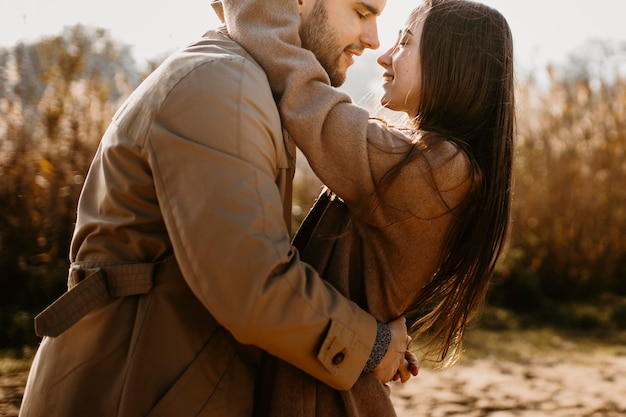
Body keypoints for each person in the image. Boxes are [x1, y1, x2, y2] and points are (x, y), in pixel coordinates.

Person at [17, 1, 415, 416]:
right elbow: (251, 280)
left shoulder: (246, 83)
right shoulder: (222, 84)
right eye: (362, 11)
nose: (374, 40)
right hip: (128, 391)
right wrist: (371, 347)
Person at [221, 0, 515, 415]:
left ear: (453, 64)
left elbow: (308, 101)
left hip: (329, 400)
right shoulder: (436, 164)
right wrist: (378, 336)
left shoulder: (440, 170)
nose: (384, 55)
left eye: (406, 42)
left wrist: (258, 5)